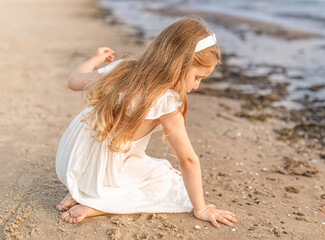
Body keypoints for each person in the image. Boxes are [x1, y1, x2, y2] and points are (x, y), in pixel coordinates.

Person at [55, 15, 238, 228]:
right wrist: (202, 208)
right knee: (166, 179)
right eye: (198, 77)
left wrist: (96, 59)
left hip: (71, 159)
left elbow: (74, 81)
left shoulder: (121, 69)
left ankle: (82, 189)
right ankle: (97, 204)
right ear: (180, 64)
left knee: (134, 165)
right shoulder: (167, 104)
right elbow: (187, 160)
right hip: (104, 172)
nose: (196, 86)